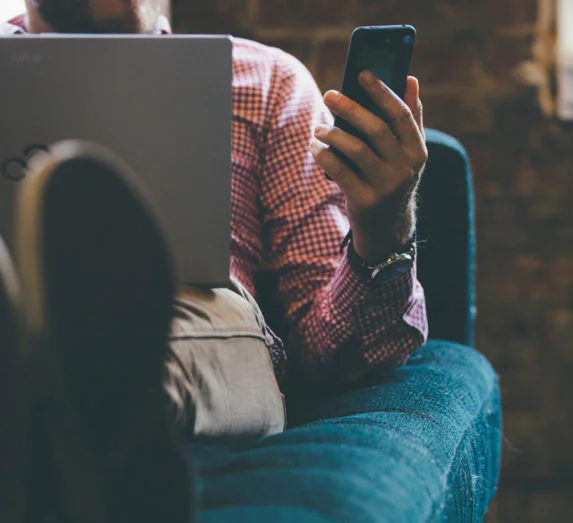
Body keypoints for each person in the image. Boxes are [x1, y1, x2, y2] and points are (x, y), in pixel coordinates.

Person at [0, 0, 432, 521]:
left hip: (199, 313)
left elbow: (332, 353)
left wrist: (382, 229)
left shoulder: (268, 82)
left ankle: (60, 406)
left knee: (181, 316)